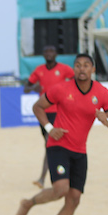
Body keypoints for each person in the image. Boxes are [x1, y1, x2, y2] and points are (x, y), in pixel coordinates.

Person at [14, 53, 108, 215]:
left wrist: (107, 122)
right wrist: (49, 128)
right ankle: (28, 204)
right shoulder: (61, 89)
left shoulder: (102, 93)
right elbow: (37, 106)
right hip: (58, 145)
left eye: (86, 65)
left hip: (80, 151)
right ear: (74, 69)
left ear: (93, 69)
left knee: (74, 199)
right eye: (78, 65)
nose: (82, 69)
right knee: (61, 189)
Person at [24, 45, 74, 189]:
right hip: (43, 113)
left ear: (56, 54)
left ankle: (43, 178)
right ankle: (59, 174)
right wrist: (34, 88)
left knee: (50, 143)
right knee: (51, 144)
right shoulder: (39, 70)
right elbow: (26, 88)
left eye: (51, 51)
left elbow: (76, 82)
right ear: (43, 54)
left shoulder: (64, 69)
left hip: (60, 112)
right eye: (46, 51)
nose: (49, 54)